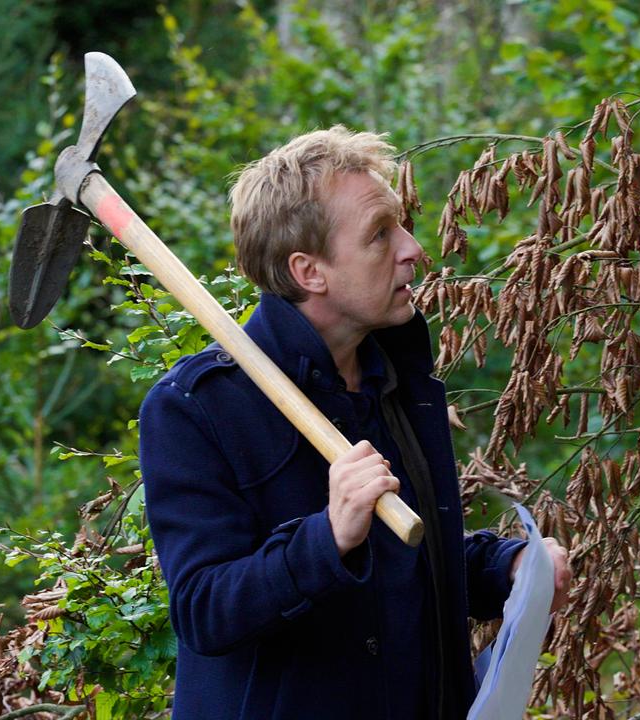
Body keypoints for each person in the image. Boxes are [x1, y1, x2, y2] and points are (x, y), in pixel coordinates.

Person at [139, 126, 571, 719]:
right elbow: (204, 610)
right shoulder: (197, 408)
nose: (413, 248)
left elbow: (410, 561)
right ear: (309, 271)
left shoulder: (397, 384)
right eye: (378, 235)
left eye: (400, 223)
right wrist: (329, 536)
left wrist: (506, 568)